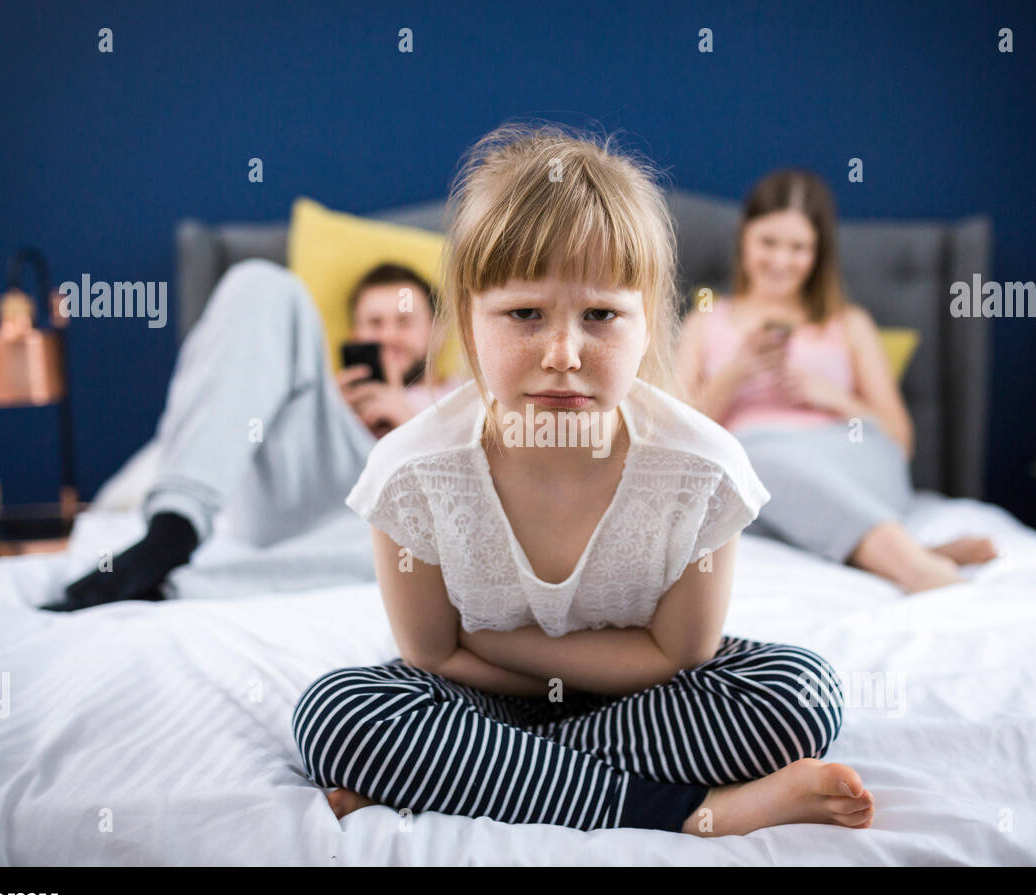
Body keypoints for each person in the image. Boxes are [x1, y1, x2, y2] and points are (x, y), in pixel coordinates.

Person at [292, 123, 874, 837]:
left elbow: (678, 656)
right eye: (524, 314)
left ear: (647, 320)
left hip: (651, 703)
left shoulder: (703, 468)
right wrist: (471, 660)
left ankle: (461, 780)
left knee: (799, 696)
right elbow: (429, 657)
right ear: (469, 325)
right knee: (337, 714)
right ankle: (694, 810)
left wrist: (485, 646)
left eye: (601, 315)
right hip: (479, 702)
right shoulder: (412, 472)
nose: (563, 352)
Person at [42, 260, 459, 611]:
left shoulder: (460, 398)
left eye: (403, 321)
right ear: (352, 334)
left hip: (369, 516)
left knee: (421, 543)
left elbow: (479, 499)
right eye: (374, 323)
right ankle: (175, 527)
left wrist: (410, 423)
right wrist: (327, 405)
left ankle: (168, 587)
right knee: (262, 282)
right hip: (298, 485)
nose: (386, 335)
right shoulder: (317, 389)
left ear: (434, 331)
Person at [673, 169, 996, 592]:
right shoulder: (705, 321)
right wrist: (736, 374)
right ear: (744, 238)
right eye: (768, 242)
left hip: (852, 458)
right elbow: (677, 437)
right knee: (748, 469)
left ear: (818, 252)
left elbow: (900, 438)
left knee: (756, 472)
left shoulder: (850, 323)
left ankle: (903, 560)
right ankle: (906, 553)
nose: (781, 260)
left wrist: (829, 396)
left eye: (799, 247)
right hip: (755, 471)